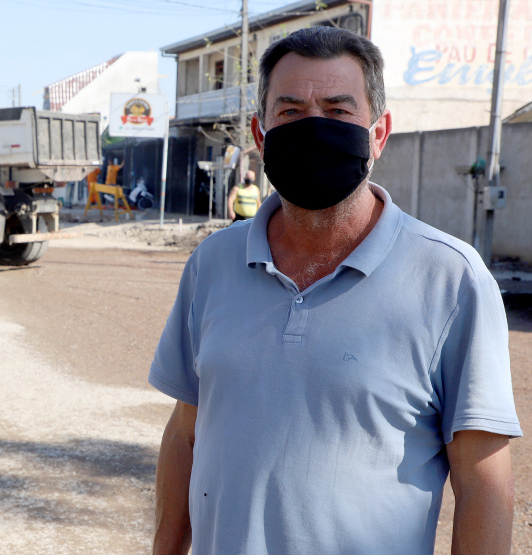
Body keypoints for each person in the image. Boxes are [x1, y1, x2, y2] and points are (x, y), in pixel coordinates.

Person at [150, 26, 521, 555]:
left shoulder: (450, 279)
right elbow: (187, 429)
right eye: (292, 111)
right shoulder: (213, 262)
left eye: (338, 110)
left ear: (378, 132)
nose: (314, 127)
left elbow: (483, 480)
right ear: (260, 134)